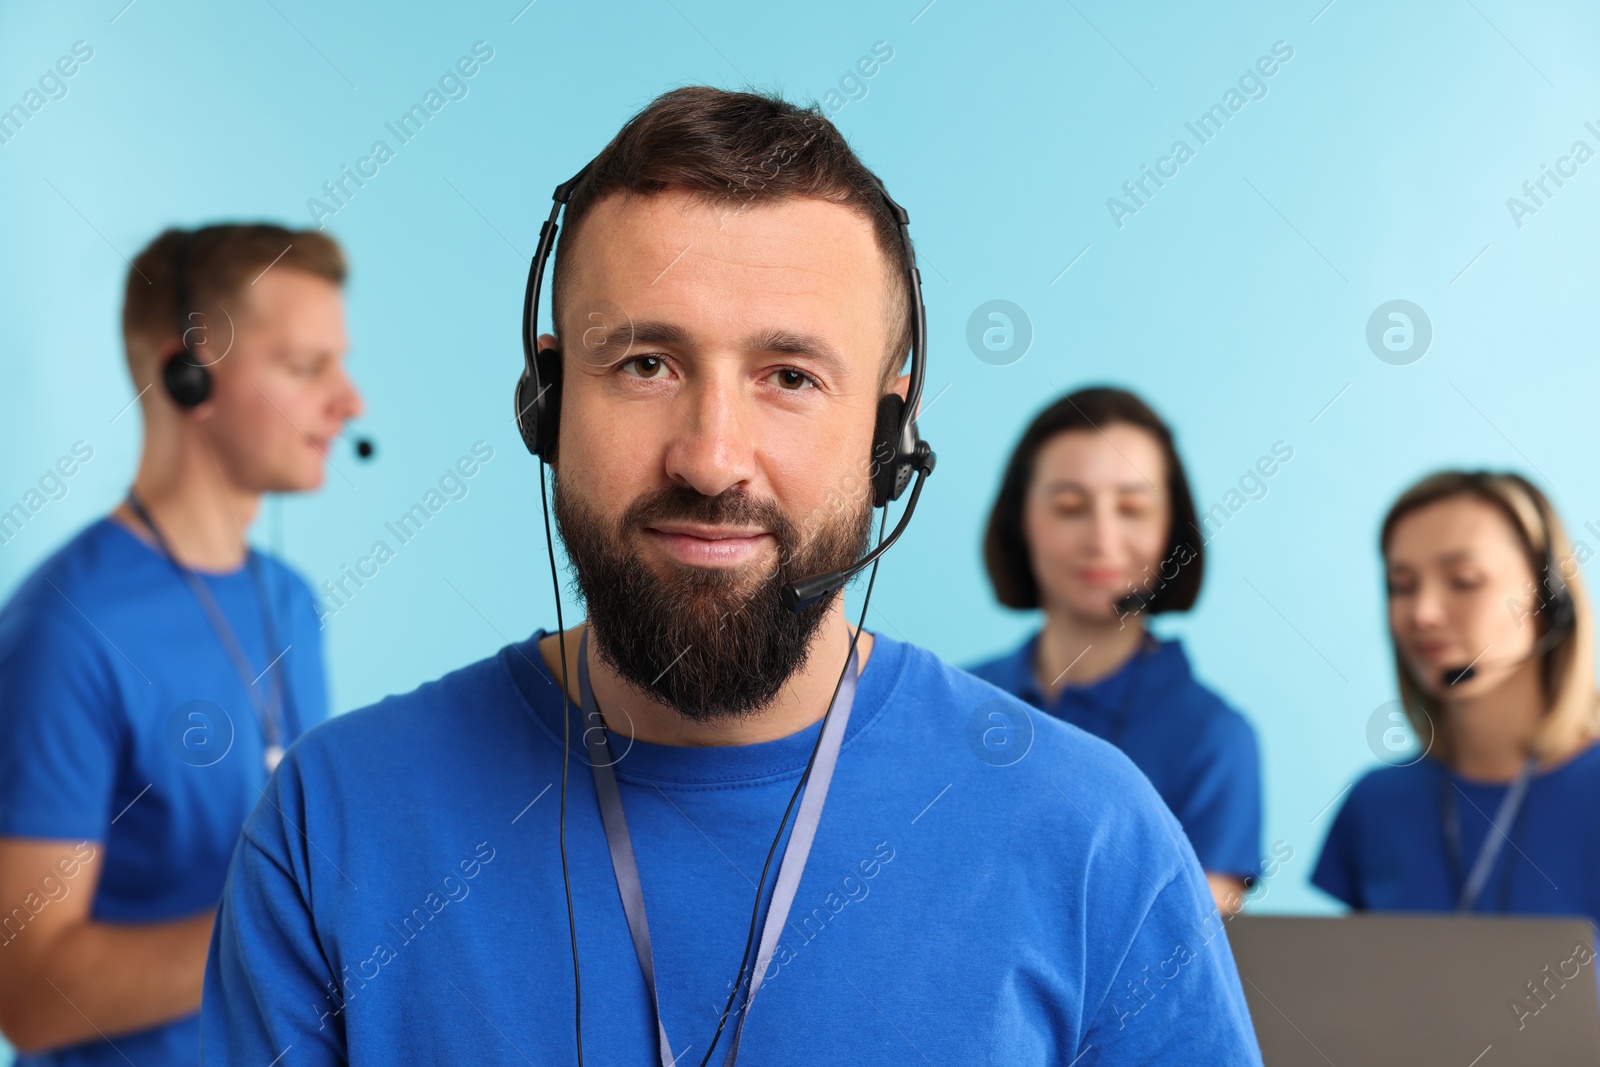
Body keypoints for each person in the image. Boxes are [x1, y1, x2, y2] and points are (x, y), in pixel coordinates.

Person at [200, 88, 1261, 1065]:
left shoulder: (1096, 839)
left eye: (789, 376)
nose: (710, 457)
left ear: (890, 434)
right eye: (645, 364)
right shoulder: (331, 824)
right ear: (548, 399)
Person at [0, 224, 362, 1065]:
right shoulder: (65, 631)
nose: (349, 401)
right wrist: (292, 922)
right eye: (306, 367)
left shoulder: (291, 600)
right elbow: (26, 992)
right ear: (187, 373)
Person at [968, 388, 1264, 914]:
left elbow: (1186, 948)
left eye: (1132, 508)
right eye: (1069, 507)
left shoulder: (1214, 739)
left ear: (1171, 530)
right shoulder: (959, 701)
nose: (1102, 539)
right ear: (1021, 522)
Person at [1313, 471, 1600, 925]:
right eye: (1401, 585)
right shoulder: (1377, 803)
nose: (1422, 613)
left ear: (1549, 600)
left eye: (1464, 580)